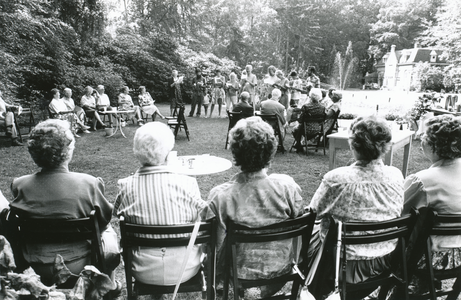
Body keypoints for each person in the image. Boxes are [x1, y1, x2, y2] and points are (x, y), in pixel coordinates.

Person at [9, 119, 120, 286]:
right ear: (68, 151)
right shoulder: (89, 183)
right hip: (80, 264)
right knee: (107, 230)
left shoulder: (19, 185)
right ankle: (109, 286)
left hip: (33, 264)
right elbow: (104, 219)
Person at [205, 116, 303, 297]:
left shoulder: (221, 197)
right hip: (281, 270)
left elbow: (213, 246)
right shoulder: (288, 188)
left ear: (235, 151)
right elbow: (300, 219)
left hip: (238, 274)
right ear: (271, 149)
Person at [309, 115, 403, 298]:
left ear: (352, 144)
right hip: (383, 262)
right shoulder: (396, 176)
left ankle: (306, 283)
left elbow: (313, 212)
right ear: (385, 145)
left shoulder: (336, 179)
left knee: (310, 230)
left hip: (341, 265)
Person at [114, 122, 207, 286]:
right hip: (185, 267)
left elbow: (117, 213)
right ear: (168, 152)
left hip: (141, 269)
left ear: (137, 151)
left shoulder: (125, 186)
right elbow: (203, 216)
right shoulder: (188, 183)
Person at [403, 115, 461, 280]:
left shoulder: (423, 181)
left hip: (426, 260)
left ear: (436, 145)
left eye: (424, 136)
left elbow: (398, 215)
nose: (421, 140)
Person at [292, 88, 326, 153]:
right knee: (298, 129)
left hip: (306, 128)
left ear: (310, 96)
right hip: (318, 129)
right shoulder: (322, 107)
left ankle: (299, 145)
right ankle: (299, 145)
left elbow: (300, 120)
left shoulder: (306, 106)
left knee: (295, 130)